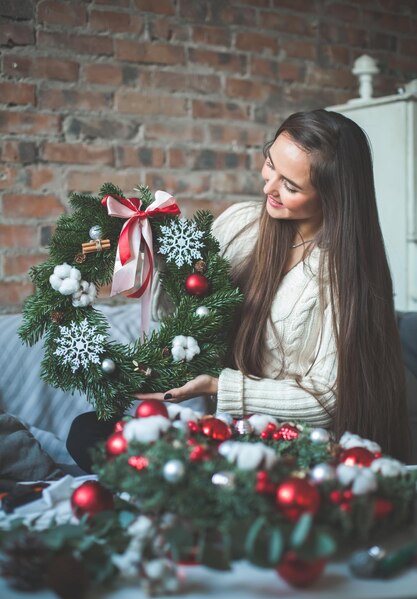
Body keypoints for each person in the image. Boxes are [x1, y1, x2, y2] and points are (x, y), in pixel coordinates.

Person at [67, 109, 409, 470]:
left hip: (292, 445)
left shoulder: (341, 275)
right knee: (88, 432)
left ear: (333, 197)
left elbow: (326, 398)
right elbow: (189, 311)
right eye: (269, 163)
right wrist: (160, 256)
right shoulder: (240, 223)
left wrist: (218, 387)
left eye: (290, 186)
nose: (268, 187)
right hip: (227, 430)